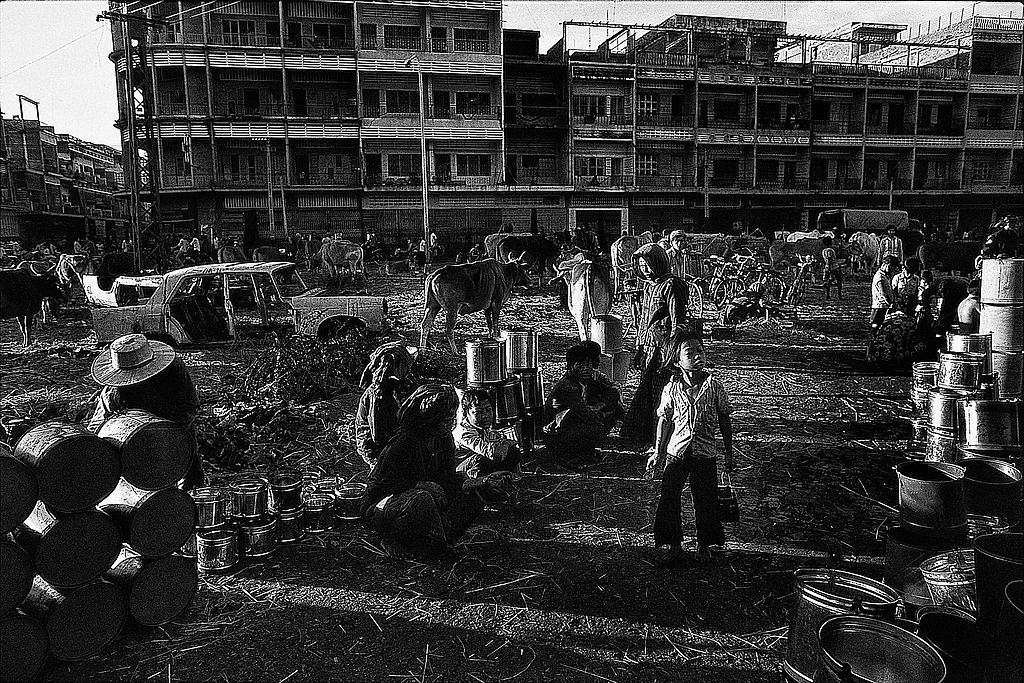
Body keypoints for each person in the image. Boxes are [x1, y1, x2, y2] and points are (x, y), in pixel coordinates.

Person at [361, 384, 508, 562]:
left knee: (472, 498)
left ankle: (436, 541)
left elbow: (448, 478)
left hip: (424, 502)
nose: (451, 424)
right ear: (429, 419)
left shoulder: (444, 439)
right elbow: (382, 486)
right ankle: (392, 540)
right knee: (422, 498)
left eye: (452, 417)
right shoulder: (404, 442)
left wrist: (484, 481)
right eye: (445, 420)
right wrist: (420, 484)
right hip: (384, 506)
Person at [647, 331, 733, 564]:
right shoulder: (671, 388)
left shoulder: (714, 386)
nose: (698, 356)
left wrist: (729, 452)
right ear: (677, 361)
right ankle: (674, 545)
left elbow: (724, 418)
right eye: (690, 352)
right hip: (677, 452)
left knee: (706, 500)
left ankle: (703, 546)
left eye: (700, 351)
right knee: (669, 498)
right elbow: (664, 421)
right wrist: (658, 451)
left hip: (705, 453)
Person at [87, 334, 205, 490]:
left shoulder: (174, 370)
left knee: (190, 480)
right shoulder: (113, 390)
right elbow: (99, 422)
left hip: (173, 425)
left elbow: (189, 406)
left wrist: (167, 436)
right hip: (133, 440)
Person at [620, 243, 690, 444]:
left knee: (663, 394)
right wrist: (639, 347)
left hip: (664, 348)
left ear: (659, 263)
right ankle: (650, 436)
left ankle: (664, 439)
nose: (645, 270)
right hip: (650, 347)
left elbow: (678, 321)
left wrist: (674, 350)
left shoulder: (671, 285)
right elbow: (644, 320)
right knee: (649, 392)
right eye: (641, 266)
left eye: (648, 265)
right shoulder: (650, 286)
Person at [543, 344, 621, 465]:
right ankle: (571, 456)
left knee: (611, 414)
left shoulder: (588, 381)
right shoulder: (567, 386)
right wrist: (603, 412)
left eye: (588, 364)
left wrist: (600, 405)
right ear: (570, 366)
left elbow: (613, 393)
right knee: (596, 427)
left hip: (572, 426)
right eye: (580, 365)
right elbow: (587, 416)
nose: (586, 369)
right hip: (557, 435)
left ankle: (585, 452)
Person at [354, 342, 415, 469]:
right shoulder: (379, 396)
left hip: (393, 445)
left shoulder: (398, 385)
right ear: (399, 368)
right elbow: (379, 437)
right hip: (378, 453)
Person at [453, 388, 521, 478]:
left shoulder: (482, 427)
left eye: (488, 410)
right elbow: (492, 453)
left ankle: (505, 477)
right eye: (479, 412)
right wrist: (506, 443)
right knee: (482, 459)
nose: (485, 416)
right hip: (460, 471)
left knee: (512, 451)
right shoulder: (464, 433)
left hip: (479, 462)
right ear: (466, 413)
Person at [869, 256, 901, 342]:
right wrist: (892, 304)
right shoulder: (880, 277)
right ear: (885, 264)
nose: (892, 269)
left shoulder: (885, 276)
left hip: (884, 307)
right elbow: (884, 294)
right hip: (880, 307)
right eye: (891, 267)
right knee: (875, 330)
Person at [821, 236, 842, 301]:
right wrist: (829, 267)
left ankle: (827, 295)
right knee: (839, 280)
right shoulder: (830, 250)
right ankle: (839, 295)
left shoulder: (823, 250)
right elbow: (829, 259)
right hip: (834, 267)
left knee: (828, 281)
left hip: (827, 267)